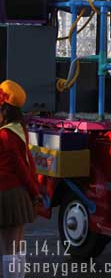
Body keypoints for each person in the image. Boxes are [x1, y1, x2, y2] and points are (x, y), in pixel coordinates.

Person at [0, 80, 41, 278]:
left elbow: (21, 167)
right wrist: (35, 190)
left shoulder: (5, 136)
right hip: (20, 193)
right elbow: (28, 164)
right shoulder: (19, 129)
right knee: (17, 243)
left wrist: (34, 191)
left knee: (8, 246)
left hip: (7, 194)